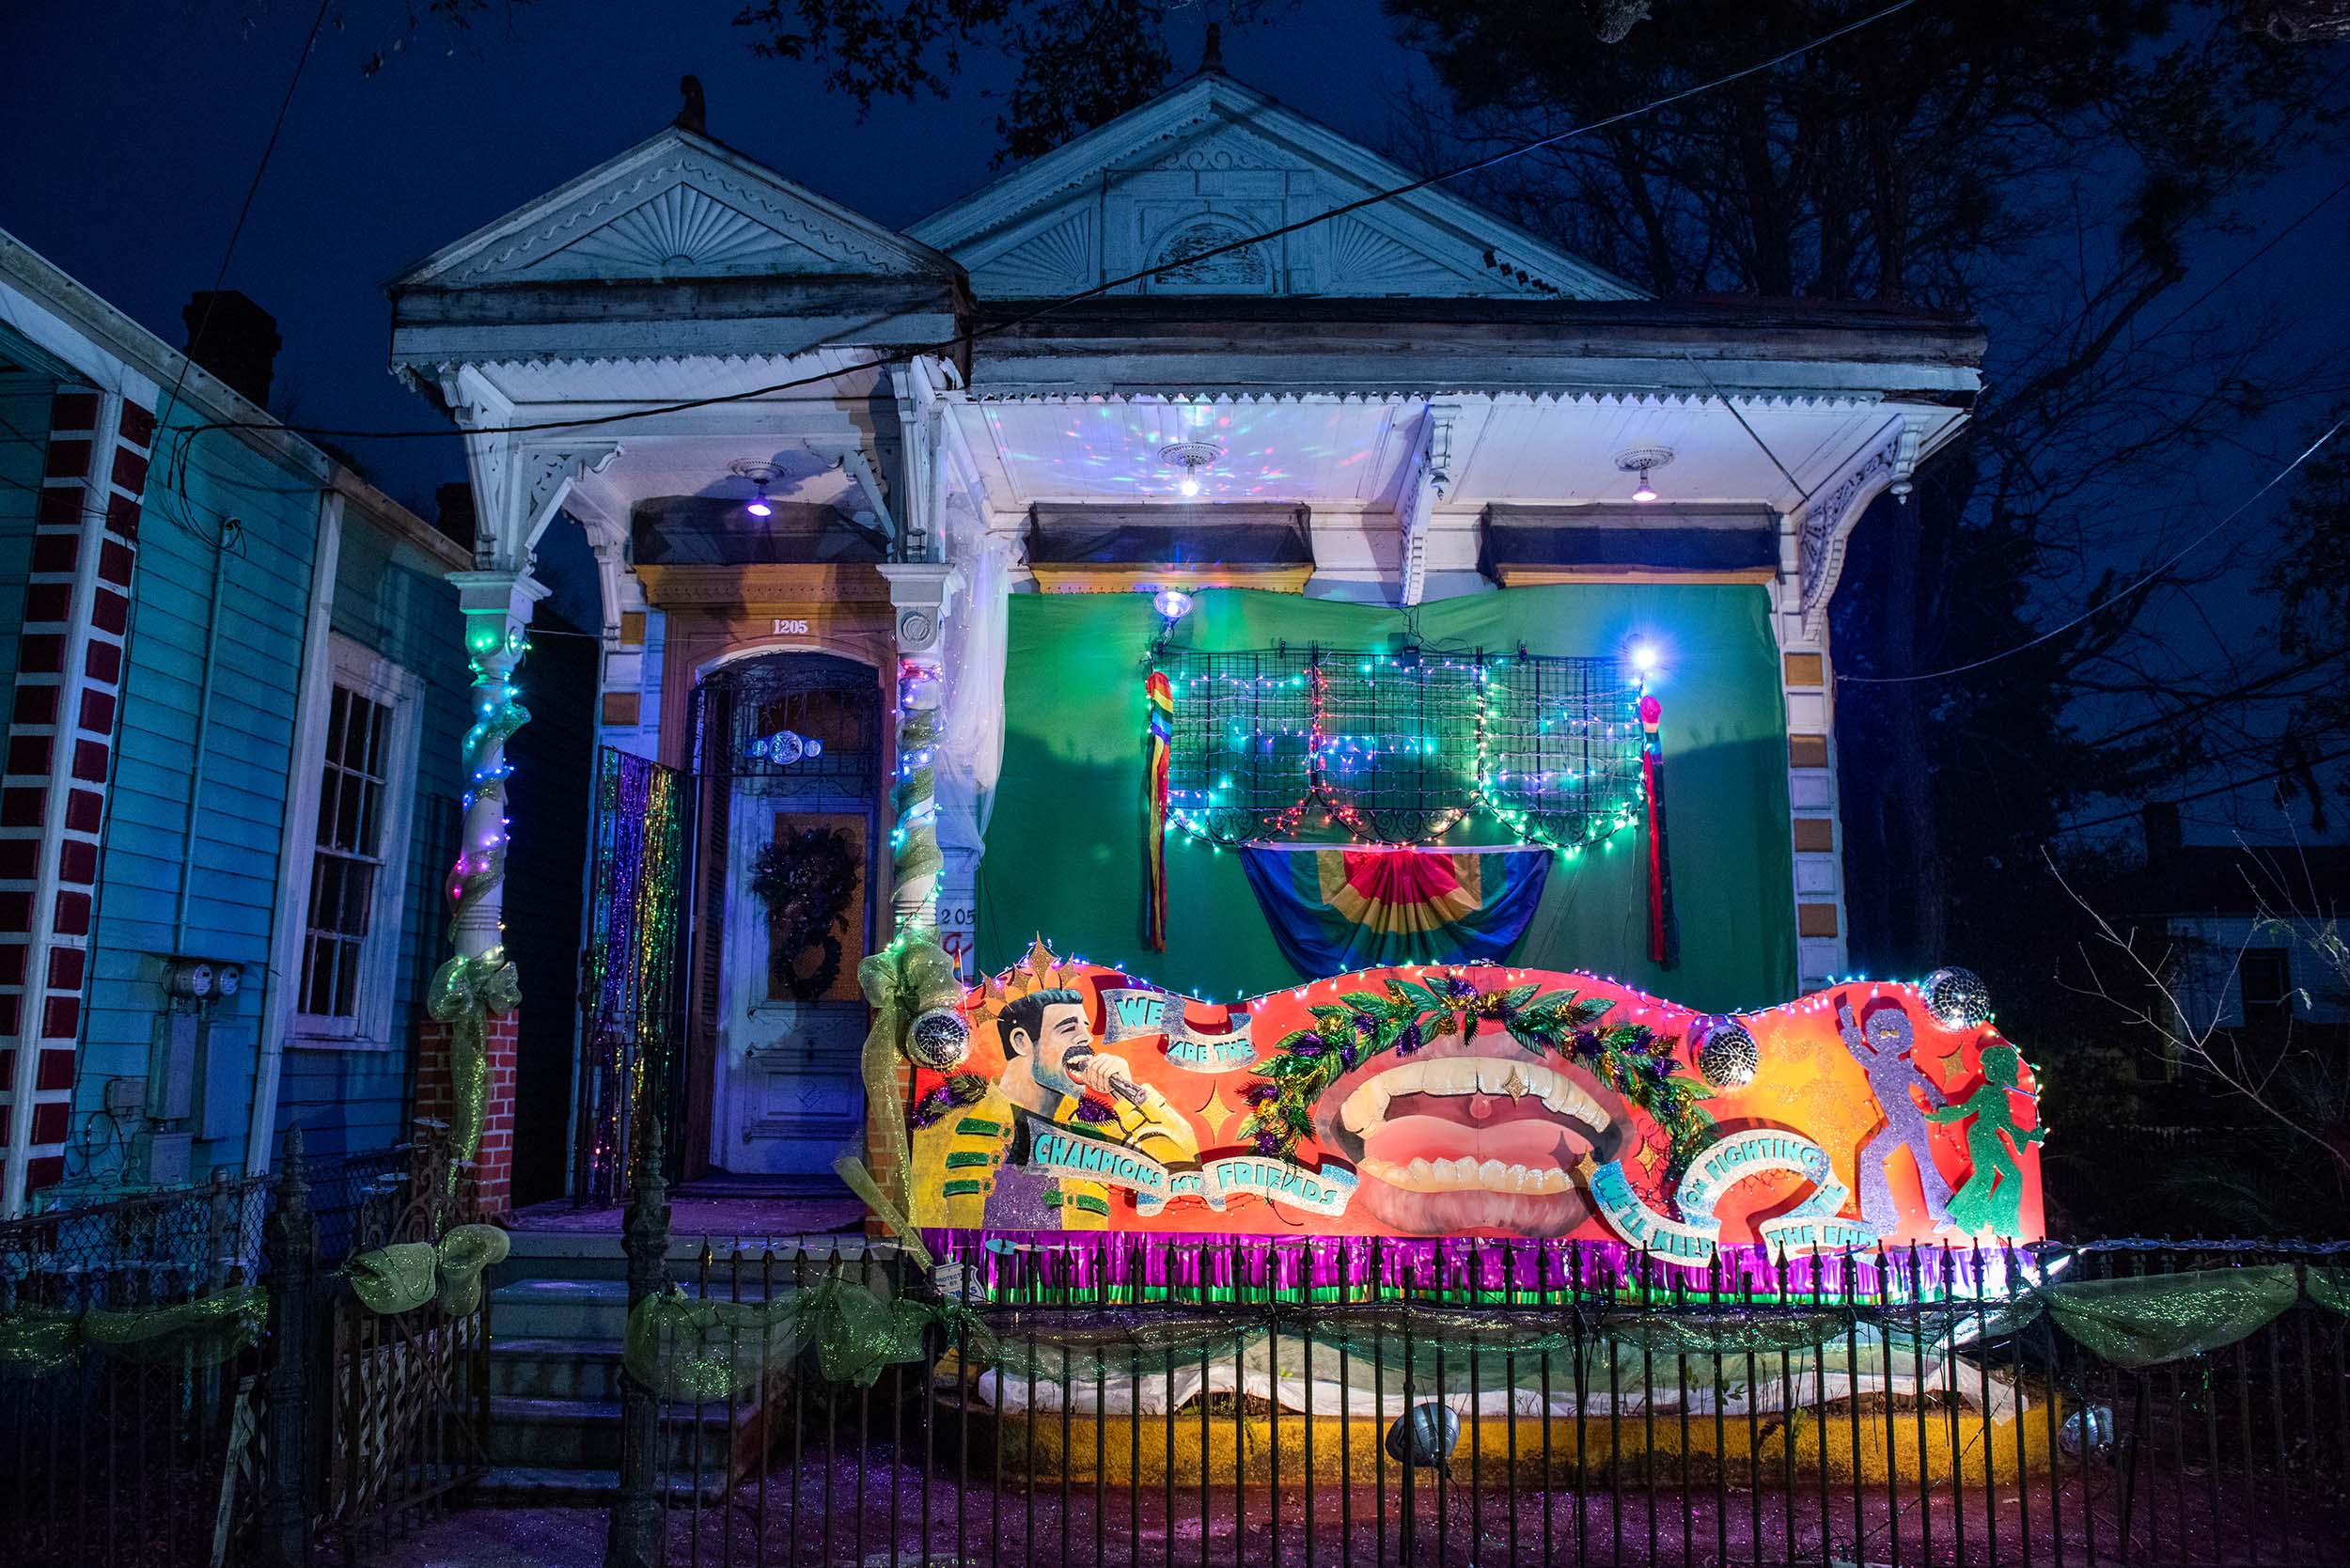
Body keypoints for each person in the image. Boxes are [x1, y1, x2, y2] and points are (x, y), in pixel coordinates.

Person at [957, 988, 1199, 1229]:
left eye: (1085, 1027)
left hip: (1081, 1265)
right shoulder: (961, 1123)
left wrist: (1129, 1096)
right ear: (1021, 1042)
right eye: (1069, 1028)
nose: (1086, 1038)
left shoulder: (1092, 1125)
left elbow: (1185, 1168)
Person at [1838, 999, 1955, 1234]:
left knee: (1923, 1164)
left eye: (1894, 1032)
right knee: (1873, 1156)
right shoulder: (1875, 1062)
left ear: (1903, 1035)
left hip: (1910, 1120)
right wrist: (1847, 1019)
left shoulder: (1903, 1066)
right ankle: (1883, 1218)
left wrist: (1938, 1100)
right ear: (1873, 1034)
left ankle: (1942, 1214)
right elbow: (1855, 1048)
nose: (1889, 1038)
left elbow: (1925, 1085)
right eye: (1883, 1032)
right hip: (1901, 1122)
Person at [1925, 1042, 2044, 1239]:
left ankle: (1998, 1220)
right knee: (1986, 1175)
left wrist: (2030, 1136)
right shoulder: (1985, 1092)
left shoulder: (2002, 1097)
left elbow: (2006, 1125)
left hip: (1991, 1137)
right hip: (1980, 1135)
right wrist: (1941, 1116)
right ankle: (1971, 1218)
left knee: (2012, 1176)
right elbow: (1966, 1109)